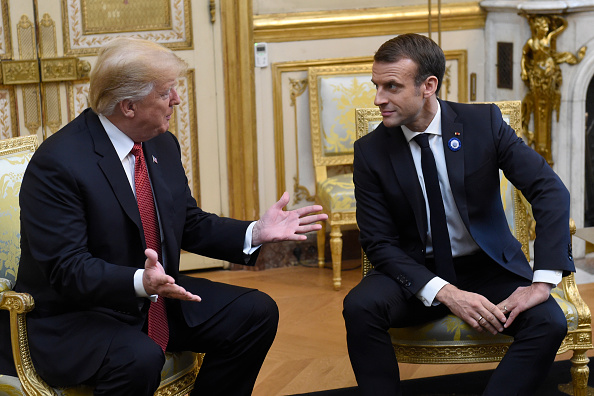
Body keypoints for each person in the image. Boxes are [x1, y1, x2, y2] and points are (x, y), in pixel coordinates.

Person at [0, 37, 327, 395]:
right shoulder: (59, 164)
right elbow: (68, 269)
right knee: (137, 357)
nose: (176, 100)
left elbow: (186, 222)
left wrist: (254, 232)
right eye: (165, 92)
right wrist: (140, 281)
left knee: (254, 312)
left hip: (151, 299)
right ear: (129, 106)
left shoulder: (159, 142)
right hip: (78, 314)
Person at [343, 33, 574, 396]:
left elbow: (550, 190)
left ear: (428, 86)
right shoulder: (371, 152)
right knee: (359, 307)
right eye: (376, 85)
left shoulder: (482, 124)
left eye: (391, 86)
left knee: (548, 321)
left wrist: (541, 282)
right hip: (416, 270)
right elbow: (378, 242)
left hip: (487, 267)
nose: (378, 99)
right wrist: (445, 292)